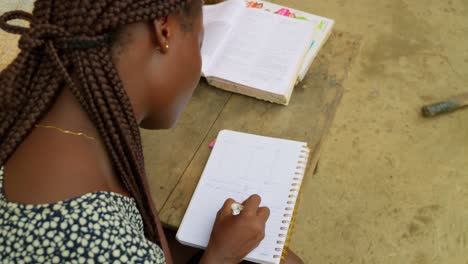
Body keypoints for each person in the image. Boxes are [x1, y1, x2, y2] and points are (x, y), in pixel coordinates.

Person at [0, 0, 304, 263]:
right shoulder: (105, 245)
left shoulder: (23, 110)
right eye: (199, 43)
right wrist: (219, 257)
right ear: (164, 30)